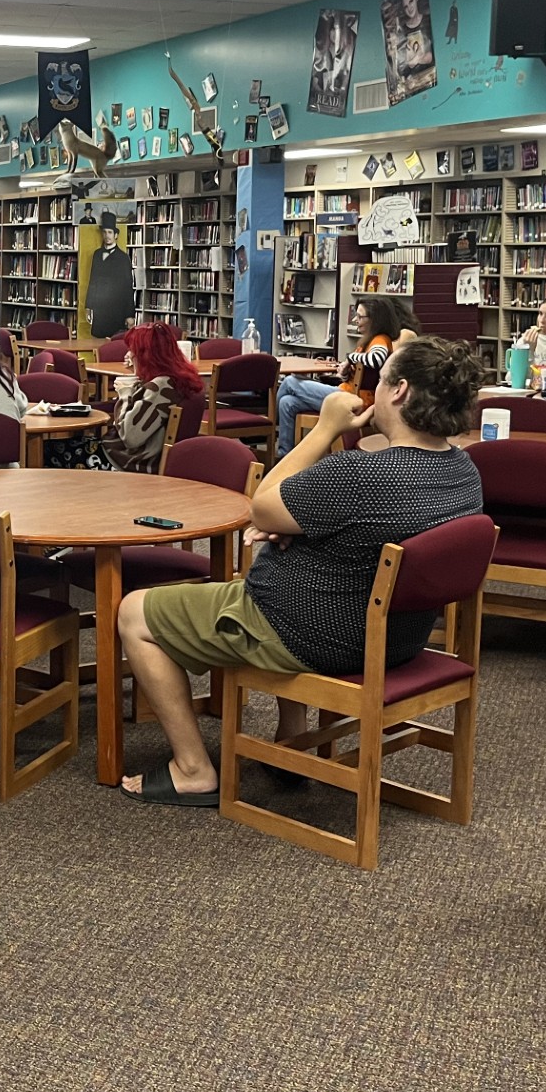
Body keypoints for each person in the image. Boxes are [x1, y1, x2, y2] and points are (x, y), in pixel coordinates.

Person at [117, 337, 485, 805]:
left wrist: (323, 430)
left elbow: (262, 507)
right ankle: (290, 737)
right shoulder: (464, 471)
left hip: (312, 633)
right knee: (294, 561)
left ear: (400, 391)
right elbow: (343, 528)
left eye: (383, 377)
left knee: (135, 613)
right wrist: (293, 528)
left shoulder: (363, 474)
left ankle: (192, 769)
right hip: (397, 637)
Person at [275, 297, 408, 455]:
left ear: (374, 319)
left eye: (360, 317)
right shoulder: (367, 341)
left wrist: (351, 358)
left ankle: (271, 428)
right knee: (287, 402)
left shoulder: (380, 340)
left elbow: (376, 359)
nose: (355, 320)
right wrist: (345, 373)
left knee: (291, 382)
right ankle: (285, 455)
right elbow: (357, 378)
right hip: (346, 392)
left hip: (352, 400)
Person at [106, 321, 202, 473]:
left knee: (63, 450)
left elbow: (130, 437)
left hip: (131, 461)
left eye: (132, 350)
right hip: (140, 457)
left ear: (145, 355)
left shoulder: (159, 387)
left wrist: (124, 395)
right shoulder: (177, 378)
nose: (128, 355)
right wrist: (139, 373)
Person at [84, 213, 135, 337]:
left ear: (116, 235)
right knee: (98, 344)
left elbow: (128, 287)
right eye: (105, 232)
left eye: (110, 232)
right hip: (100, 309)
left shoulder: (123, 258)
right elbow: (93, 281)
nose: (107, 236)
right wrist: (88, 306)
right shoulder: (97, 255)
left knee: (114, 346)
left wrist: (130, 315)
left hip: (117, 310)